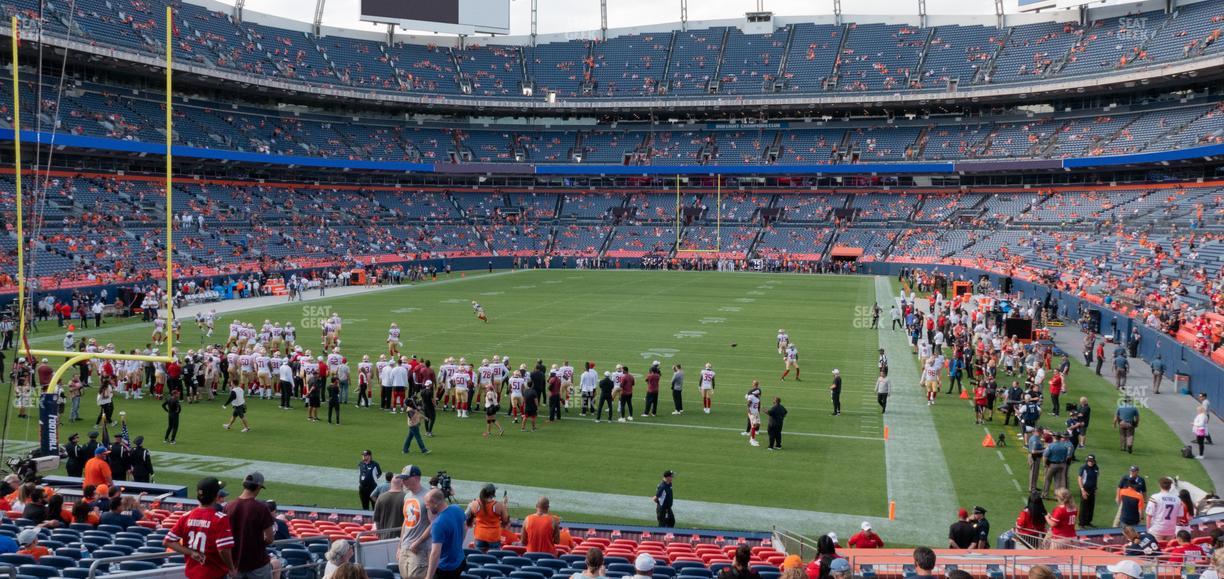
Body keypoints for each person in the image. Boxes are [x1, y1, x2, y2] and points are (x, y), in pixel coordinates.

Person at [164, 477, 236, 579]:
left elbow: (168, 541)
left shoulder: (186, 516)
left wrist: (191, 553)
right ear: (216, 496)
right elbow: (223, 550)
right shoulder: (220, 519)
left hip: (192, 575)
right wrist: (231, 568)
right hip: (214, 575)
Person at [225, 472, 275, 579]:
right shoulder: (262, 508)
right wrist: (257, 544)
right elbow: (270, 538)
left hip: (234, 564)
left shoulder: (228, 506)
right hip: (258, 564)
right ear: (258, 487)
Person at [422, 488, 466, 579]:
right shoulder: (457, 509)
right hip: (460, 561)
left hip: (446, 569)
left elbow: (435, 553)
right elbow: (465, 528)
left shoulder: (438, 524)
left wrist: (428, 577)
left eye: (427, 504)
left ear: (435, 503)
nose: (427, 507)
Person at [397, 465, 432, 579]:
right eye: (402, 478)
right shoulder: (406, 496)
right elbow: (405, 522)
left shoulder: (428, 496)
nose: (403, 481)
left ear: (416, 478)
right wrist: (400, 546)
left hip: (419, 549)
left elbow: (434, 523)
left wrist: (418, 542)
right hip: (405, 548)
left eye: (406, 478)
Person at [468, 483, 509, 553]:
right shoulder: (498, 505)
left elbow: (469, 518)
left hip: (479, 535)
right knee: (493, 558)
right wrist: (504, 505)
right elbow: (505, 520)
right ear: (493, 493)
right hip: (494, 536)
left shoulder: (475, 504)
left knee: (478, 558)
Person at [1146, 477, 1182, 543]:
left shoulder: (1155, 497)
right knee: (1168, 550)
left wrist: (1148, 529)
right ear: (1170, 486)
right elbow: (1179, 518)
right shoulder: (1178, 499)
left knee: (1156, 550)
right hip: (1171, 530)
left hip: (1157, 529)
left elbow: (1149, 516)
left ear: (1160, 485)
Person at [1042, 432, 1072, 498]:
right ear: (1060, 438)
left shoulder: (1051, 446)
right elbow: (1066, 456)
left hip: (1052, 465)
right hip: (1061, 465)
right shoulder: (1064, 446)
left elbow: (1045, 456)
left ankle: (1045, 494)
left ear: (1053, 437)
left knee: (1047, 480)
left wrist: (1044, 464)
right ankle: (1057, 496)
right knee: (1058, 481)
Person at [1078, 454, 1099, 527]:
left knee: (1091, 506)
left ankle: (1088, 521)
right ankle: (1081, 523)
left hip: (1092, 489)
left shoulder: (1096, 468)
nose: (1090, 462)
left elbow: (1096, 478)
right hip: (1085, 489)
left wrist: (1096, 488)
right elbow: (1079, 479)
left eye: (1092, 461)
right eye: (1089, 461)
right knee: (1084, 506)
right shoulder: (1083, 468)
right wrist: (1082, 490)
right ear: (1087, 461)